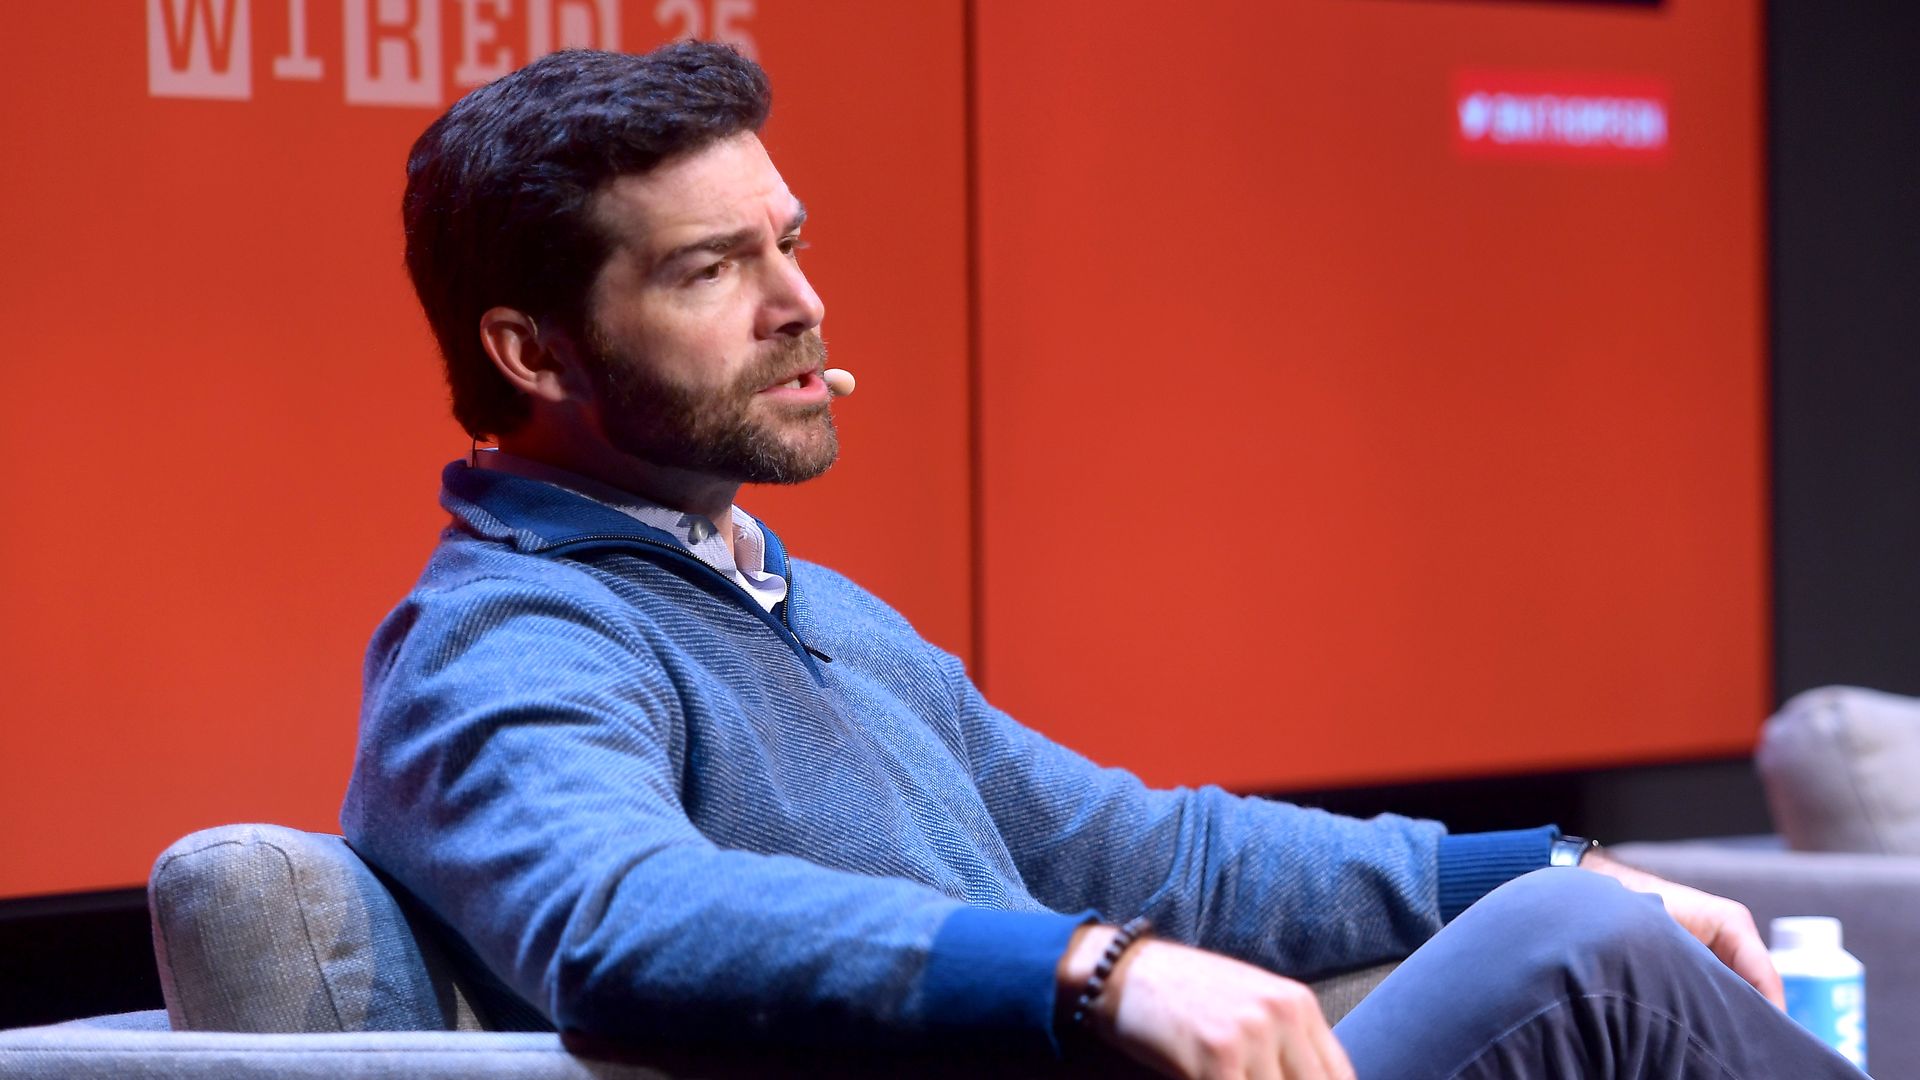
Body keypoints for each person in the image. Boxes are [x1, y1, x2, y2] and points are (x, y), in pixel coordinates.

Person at [342, 42, 1858, 1079]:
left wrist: (1544, 853)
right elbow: (625, 919)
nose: (800, 301)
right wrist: (1099, 976)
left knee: (1571, 912)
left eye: (789, 241)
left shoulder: (798, 603)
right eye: (711, 268)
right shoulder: (510, 636)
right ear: (532, 352)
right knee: (1576, 956)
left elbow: (1156, 857)